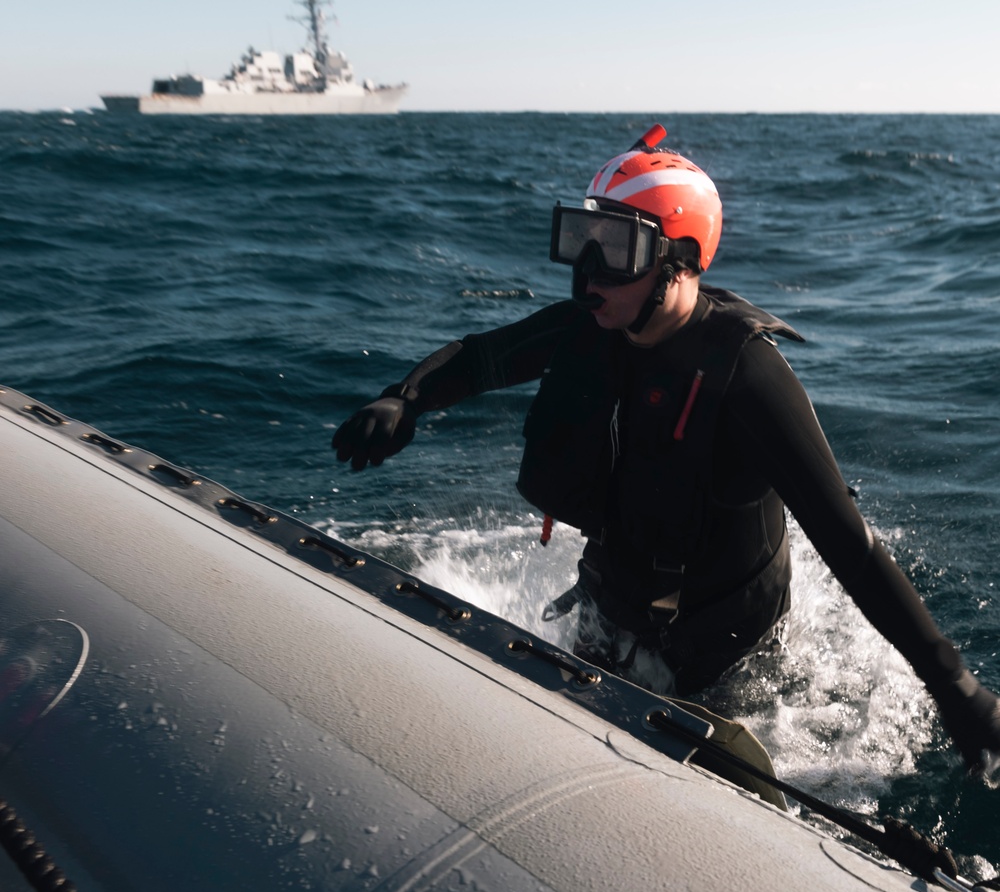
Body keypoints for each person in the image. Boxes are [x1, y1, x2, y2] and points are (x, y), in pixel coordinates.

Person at [333, 123, 1000, 775]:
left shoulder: (748, 377)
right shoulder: (592, 327)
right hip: (610, 600)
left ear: (679, 259)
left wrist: (954, 687)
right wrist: (405, 398)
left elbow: (847, 544)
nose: (588, 273)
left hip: (727, 649)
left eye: (615, 250)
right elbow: (481, 359)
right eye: (582, 241)